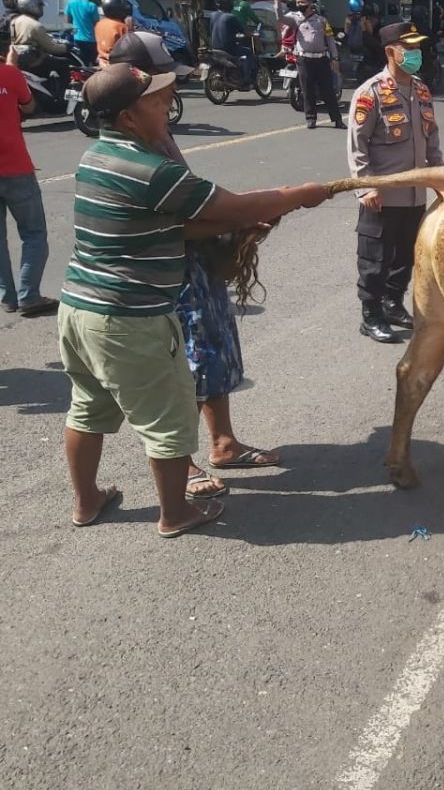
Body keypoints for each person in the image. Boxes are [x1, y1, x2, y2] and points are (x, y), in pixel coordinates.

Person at [61, 63, 333, 536]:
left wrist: (238, 225)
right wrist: (299, 194)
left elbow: (177, 226)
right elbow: (238, 205)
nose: (168, 106)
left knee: (87, 407)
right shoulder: (154, 171)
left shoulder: (97, 157)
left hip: (79, 311)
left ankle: (86, 502)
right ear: (128, 116)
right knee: (168, 418)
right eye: (156, 101)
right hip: (130, 319)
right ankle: (176, 514)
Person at [108, 31, 279, 498]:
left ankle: (223, 443)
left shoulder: (155, 128)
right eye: (163, 87)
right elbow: (171, 226)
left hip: (191, 267)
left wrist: (237, 222)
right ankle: (179, 466)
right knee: (182, 367)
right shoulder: (128, 147)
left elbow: (193, 199)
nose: (172, 94)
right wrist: (242, 216)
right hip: (159, 275)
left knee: (212, 348)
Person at [349, 22, 444, 343]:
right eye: (410, 48)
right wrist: (366, 186)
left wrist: (442, 180)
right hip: (382, 196)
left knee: (406, 255)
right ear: (391, 52)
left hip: (414, 196)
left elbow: (432, 139)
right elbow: (357, 145)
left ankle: (392, 303)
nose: (417, 54)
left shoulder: (421, 90)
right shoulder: (370, 93)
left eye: (418, 48)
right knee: (375, 258)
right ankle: (371, 314)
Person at [1, 46, 56, 317]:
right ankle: (29, 295)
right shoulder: (9, 74)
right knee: (34, 233)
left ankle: (7, 296)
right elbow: (29, 105)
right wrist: (12, 68)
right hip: (16, 168)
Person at [274, 0, 344, 130]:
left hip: (321, 59)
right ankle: (311, 119)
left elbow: (330, 39)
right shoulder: (294, 18)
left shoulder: (321, 20)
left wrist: (335, 58)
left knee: (328, 91)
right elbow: (279, 16)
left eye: (302, 2)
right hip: (304, 59)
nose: (299, 5)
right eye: (298, 2)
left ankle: (337, 120)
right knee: (307, 90)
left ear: (310, 3)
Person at [9, 0, 70, 87]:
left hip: (18, 57)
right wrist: (66, 47)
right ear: (31, 6)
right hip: (35, 60)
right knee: (64, 63)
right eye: (39, 5)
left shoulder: (15, 21)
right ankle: (62, 92)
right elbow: (51, 48)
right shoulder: (35, 25)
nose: (41, 8)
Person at [210, 0, 251, 84]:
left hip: (214, 48)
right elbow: (244, 32)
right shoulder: (231, 17)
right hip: (229, 49)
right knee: (248, 53)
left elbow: (212, 30)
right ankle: (246, 77)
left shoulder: (212, 15)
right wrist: (251, 35)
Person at [65, 0, 100, 66]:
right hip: (91, 40)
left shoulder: (71, 3)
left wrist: (72, 32)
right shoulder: (92, 6)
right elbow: (96, 24)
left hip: (76, 38)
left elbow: (68, 21)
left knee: (80, 63)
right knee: (93, 65)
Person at [95, 0, 133, 67]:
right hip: (117, 64)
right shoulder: (121, 26)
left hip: (101, 60)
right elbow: (130, 46)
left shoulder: (99, 23)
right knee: (144, 77)